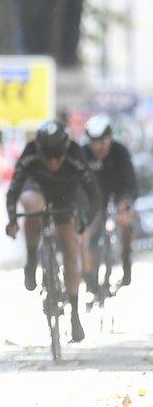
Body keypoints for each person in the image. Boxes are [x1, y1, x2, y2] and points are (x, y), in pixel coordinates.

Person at [5, 120, 101, 343]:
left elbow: (94, 195)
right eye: (48, 157)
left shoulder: (75, 154)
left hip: (66, 195)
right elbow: (14, 190)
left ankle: (75, 314)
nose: (54, 162)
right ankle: (31, 258)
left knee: (70, 249)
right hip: (37, 189)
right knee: (32, 206)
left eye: (58, 156)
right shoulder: (30, 153)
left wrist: (84, 220)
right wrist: (12, 218)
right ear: (40, 152)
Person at [80, 115, 138, 289]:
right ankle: (90, 275)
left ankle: (126, 257)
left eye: (102, 142)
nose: (98, 146)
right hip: (94, 197)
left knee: (126, 220)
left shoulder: (121, 152)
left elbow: (130, 182)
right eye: (94, 142)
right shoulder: (83, 154)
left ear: (110, 138)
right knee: (88, 231)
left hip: (118, 192)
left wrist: (126, 204)